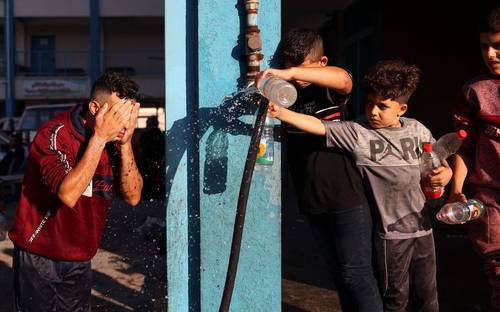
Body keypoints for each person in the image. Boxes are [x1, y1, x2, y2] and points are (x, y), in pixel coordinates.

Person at [265, 59, 452, 311]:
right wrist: (281, 113)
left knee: (428, 299)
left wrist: (445, 174)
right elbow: (319, 126)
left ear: (402, 109)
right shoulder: (358, 132)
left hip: (423, 232)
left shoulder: (418, 131)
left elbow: (439, 162)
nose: (373, 111)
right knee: (395, 300)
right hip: (390, 238)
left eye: (382, 106)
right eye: (369, 103)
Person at [256, 28, 383, 311]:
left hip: (347, 196)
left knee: (357, 275)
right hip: (311, 199)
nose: (296, 75)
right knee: (340, 277)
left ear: (322, 63)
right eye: (290, 68)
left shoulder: (328, 90)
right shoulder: (287, 95)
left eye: (303, 68)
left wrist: (287, 73)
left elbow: (344, 79)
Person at [8, 72, 143, 311]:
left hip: (80, 256)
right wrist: (100, 137)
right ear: (95, 108)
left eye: (128, 115)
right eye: (116, 114)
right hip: (40, 254)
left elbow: (133, 197)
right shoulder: (54, 134)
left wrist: (125, 145)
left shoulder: (116, 141)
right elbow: (68, 195)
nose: (123, 123)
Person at [448, 6, 500, 310]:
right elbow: (463, 147)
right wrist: (456, 190)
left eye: (498, 46)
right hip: (491, 203)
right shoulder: (474, 91)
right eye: (485, 46)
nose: (491, 54)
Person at [139, 115, 165, 199]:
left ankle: (150, 194)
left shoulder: (148, 135)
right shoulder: (158, 135)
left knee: (152, 178)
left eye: (148, 123)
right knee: (152, 178)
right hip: (151, 160)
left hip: (153, 160)